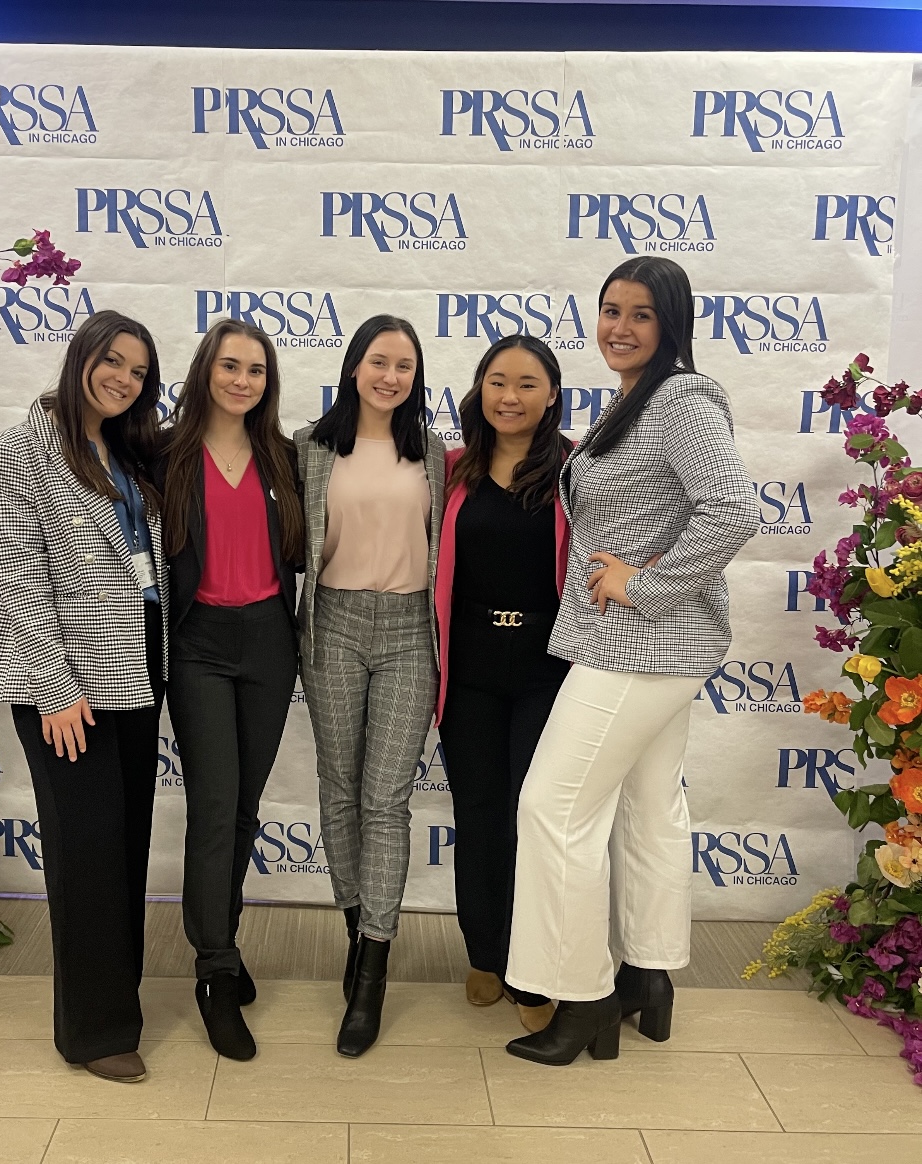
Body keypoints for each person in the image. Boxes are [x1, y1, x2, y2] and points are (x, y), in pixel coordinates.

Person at [504, 256, 760, 1066]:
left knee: (553, 808)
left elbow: (733, 508)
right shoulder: (632, 401)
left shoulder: (680, 397)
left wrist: (646, 586)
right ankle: (649, 977)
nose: (619, 326)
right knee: (652, 811)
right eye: (610, 309)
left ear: (670, 323)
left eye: (640, 314)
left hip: (642, 643)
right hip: (648, 647)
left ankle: (584, 997)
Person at [0, 310, 168, 1083]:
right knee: (85, 852)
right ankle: (93, 1033)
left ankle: (117, 995)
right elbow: (19, 578)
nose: (124, 378)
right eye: (113, 361)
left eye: (139, 370)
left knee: (123, 846)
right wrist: (55, 691)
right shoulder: (18, 453)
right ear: (80, 356)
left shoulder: (123, 448)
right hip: (66, 686)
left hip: (135, 672)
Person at [295, 314, 444, 1058]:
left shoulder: (438, 456)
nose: (391, 377)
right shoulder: (310, 450)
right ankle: (356, 932)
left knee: (386, 799)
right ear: (354, 367)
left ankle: (374, 970)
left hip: (411, 631)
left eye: (406, 367)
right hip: (334, 625)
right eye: (379, 361)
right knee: (339, 790)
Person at [156, 319, 303, 1062]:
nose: (243, 380)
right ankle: (213, 971)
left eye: (256, 369)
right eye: (230, 366)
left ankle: (225, 938)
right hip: (199, 647)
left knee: (244, 809)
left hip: (270, 647)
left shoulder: (284, 455)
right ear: (204, 371)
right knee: (214, 808)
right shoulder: (165, 451)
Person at [434, 335, 570, 1036]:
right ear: (479, 390)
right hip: (471, 671)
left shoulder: (579, 470)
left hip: (549, 671)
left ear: (552, 394)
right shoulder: (453, 469)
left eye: (526, 383)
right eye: (496, 381)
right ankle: (484, 951)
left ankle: (532, 966)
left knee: (536, 820)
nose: (509, 396)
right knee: (480, 813)